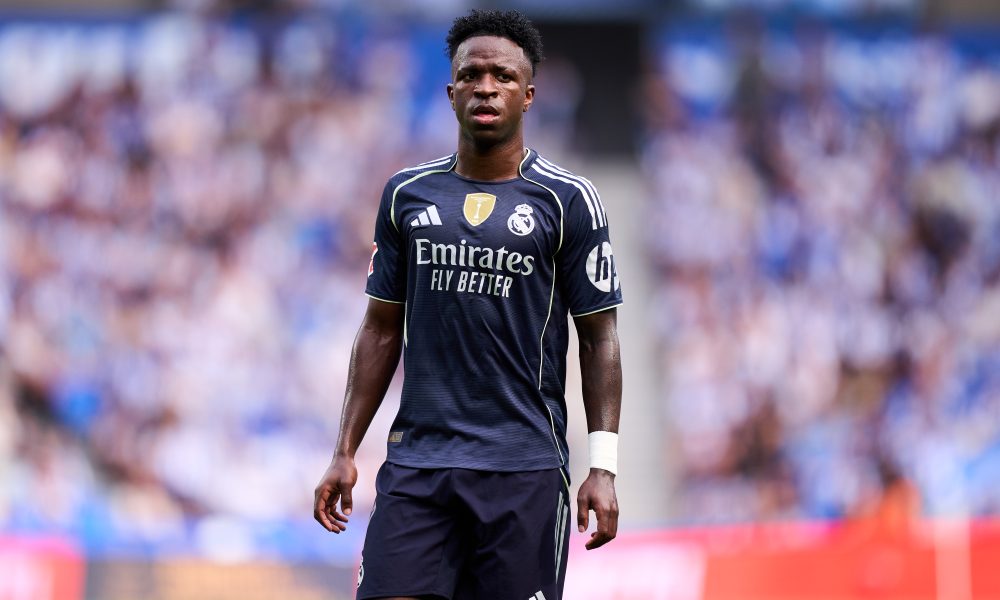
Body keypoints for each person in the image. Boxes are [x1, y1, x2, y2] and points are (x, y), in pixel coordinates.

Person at [313, 9, 623, 599]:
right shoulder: (408, 194)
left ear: (528, 95)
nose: (486, 86)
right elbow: (380, 327)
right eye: (472, 74)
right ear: (450, 90)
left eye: (503, 77)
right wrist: (344, 450)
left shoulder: (569, 201)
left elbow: (599, 337)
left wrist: (602, 466)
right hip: (419, 465)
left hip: (523, 468)